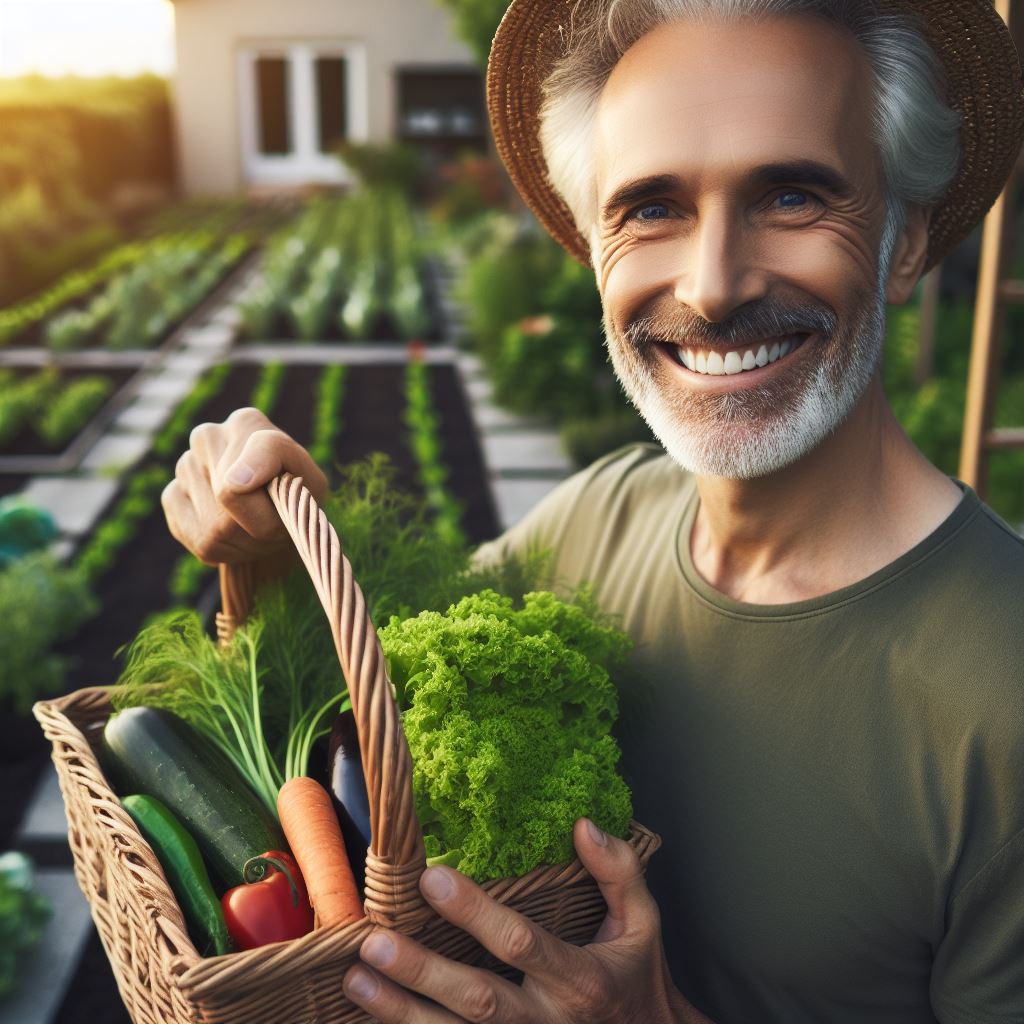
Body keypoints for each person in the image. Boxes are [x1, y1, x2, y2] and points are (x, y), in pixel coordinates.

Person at [162, 0, 1024, 1020]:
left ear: (905, 237)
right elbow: (349, 727)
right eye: (651, 208)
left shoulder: (1001, 690)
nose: (709, 289)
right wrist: (268, 553)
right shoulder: (592, 521)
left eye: (790, 194)